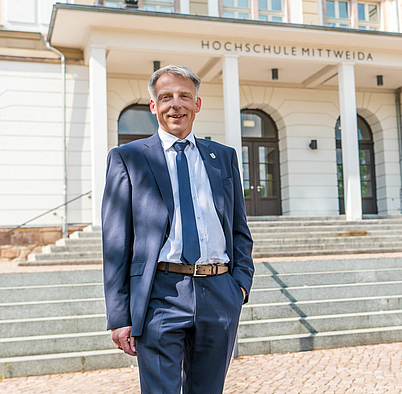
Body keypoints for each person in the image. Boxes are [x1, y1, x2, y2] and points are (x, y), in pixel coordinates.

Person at [101, 64, 254, 394]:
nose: (176, 104)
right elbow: (115, 243)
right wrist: (119, 315)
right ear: (154, 106)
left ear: (197, 104)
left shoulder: (222, 158)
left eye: (185, 96)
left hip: (219, 292)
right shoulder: (128, 158)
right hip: (160, 294)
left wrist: (239, 286)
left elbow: (239, 229)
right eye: (166, 97)